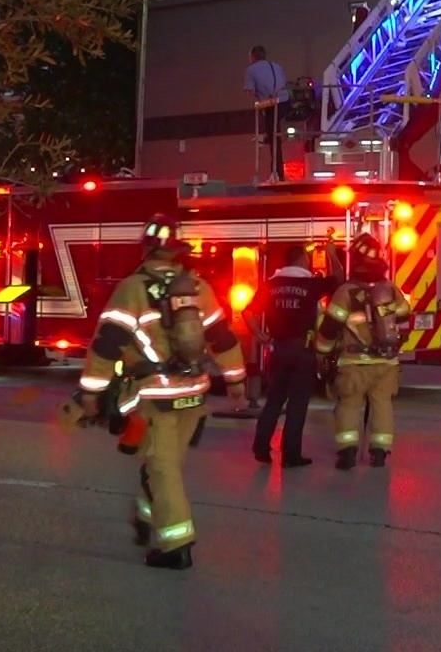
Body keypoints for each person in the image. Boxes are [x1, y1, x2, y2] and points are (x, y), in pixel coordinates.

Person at [77, 214, 247, 570]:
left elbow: (108, 344)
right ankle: (145, 516)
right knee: (163, 462)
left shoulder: (133, 288)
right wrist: (236, 380)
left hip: (155, 396)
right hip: (194, 393)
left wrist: (91, 391)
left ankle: (176, 545)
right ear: (176, 252)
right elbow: (221, 337)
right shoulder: (197, 287)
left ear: (146, 248)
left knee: (162, 467)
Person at [311, 233, 410, 469]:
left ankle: (348, 451)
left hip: (354, 362)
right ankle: (379, 452)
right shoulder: (389, 288)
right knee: (382, 404)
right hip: (386, 363)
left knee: (349, 404)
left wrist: (322, 351)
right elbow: (405, 314)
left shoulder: (346, 292)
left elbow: (331, 326)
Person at [250, 244, 335, 467]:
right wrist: (333, 254)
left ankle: (261, 448)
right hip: (303, 351)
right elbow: (339, 278)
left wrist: (259, 334)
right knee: (298, 404)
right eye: (306, 259)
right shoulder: (310, 284)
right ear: (300, 261)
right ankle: (290, 455)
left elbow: (247, 311)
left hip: (278, 350)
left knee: (274, 401)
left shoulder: (271, 284)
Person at [244, 45, 289, 181]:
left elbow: (250, 92)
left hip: (271, 104)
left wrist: (259, 95)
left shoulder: (251, 70)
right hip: (286, 102)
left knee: (275, 139)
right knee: (276, 135)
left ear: (252, 57)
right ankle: (267, 138)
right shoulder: (276, 66)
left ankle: (277, 174)